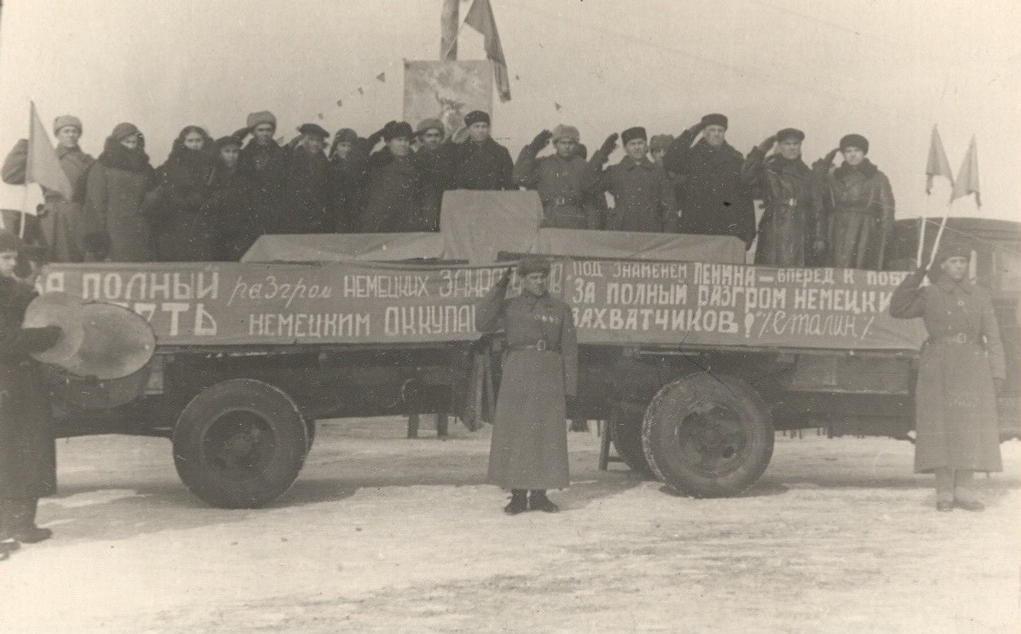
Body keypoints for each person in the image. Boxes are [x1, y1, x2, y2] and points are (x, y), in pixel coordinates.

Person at [889, 241, 1004, 512]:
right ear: (942, 265)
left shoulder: (980, 295)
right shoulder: (930, 294)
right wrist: (916, 276)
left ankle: (964, 491)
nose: (958, 266)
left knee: (968, 427)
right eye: (952, 262)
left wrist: (998, 373)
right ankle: (943, 492)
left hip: (972, 366)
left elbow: (994, 337)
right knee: (939, 428)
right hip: (938, 365)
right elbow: (898, 309)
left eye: (962, 262)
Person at [475, 256, 577, 514]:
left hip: (549, 374)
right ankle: (518, 495)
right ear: (522, 280)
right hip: (518, 373)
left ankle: (541, 495)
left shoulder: (560, 308)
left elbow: (569, 349)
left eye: (543, 277)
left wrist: (569, 387)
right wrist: (501, 286)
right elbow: (482, 323)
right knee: (517, 433)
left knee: (546, 434)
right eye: (534, 277)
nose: (540, 281)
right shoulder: (510, 307)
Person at [0, 230, 63, 557]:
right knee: (6, 455)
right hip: (4, 383)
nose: (11, 263)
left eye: (13, 257)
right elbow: (5, 340)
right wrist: (45, 337)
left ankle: (24, 523)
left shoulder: (20, 291)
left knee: (31, 450)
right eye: (4, 257)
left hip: (25, 381)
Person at [1, 114, 95, 262]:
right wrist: (26, 146)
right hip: (50, 219)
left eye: (74, 131)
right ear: (57, 135)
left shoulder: (87, 161)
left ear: (79, 134)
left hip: (76, 217)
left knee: (74, 260)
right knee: (48, 261)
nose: (71, 135)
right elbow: (10, 175)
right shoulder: (46, 159)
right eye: (66, 131)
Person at [664, 114, 755, 248]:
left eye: (720, 130)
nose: (716, 134)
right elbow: (670, 160)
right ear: (703, 132)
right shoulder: (691, 156)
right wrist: (692, 131)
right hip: (695, 226)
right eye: (712, 130)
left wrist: (748, 232)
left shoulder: (735, 159)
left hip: (726, 228)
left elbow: (745, 196)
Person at [741, 127, 821, 265]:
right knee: (770, 268)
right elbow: (746, 177)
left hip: (801, 226)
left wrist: (819, 236)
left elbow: (817, 205)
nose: (791, 148)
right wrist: (760, 152)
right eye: (787, 144)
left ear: (800, 146)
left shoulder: (808, 173)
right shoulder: (769, 170)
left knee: (798, 271)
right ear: (780, 146)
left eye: (795, 144)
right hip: (773, 224)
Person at [814, 134, 896, 269]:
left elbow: (887, 210)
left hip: (865, 230)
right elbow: (821, 205)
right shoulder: (833, 176)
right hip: (835, 229)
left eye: (857, 150)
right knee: (835, 271)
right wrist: (821, 235)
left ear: (864, 152)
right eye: (848, 151)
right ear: (843, 154)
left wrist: (883, 238)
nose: (852, 155)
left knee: (860, 270)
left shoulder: (877, 177)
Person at [82, 122, 156, 262]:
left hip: (140, 230)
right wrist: (100, 239)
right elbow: (96, 204)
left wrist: (153, 197)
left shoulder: (145, 168)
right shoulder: (102, 166)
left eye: (134, 142)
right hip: (113, 232)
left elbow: (154, 189)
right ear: (116, 143)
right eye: (127, 142)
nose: (131, 146)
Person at [587, 127, 677, 232]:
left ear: (646, 146)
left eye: (640, 143)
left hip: (650, 232)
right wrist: (602, 153)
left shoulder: (658, 173)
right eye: (632, 144)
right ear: (625, 148)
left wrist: (667, 239)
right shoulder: (615, 171)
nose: (637, 147)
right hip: (621, 232)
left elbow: (669, 209)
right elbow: (589, 185)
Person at [513, 125, 599, 229]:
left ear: (576, 145)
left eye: (570, 143)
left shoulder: (584, 166)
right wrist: (533, 148)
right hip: (550, 218)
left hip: (576, 219)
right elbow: (519, 177)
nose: (567, 147)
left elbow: (592, 202)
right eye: (563, 142)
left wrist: (592, 231)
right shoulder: (544, 164)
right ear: (555, 144)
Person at [152, 126, 216, 261]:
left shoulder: (212, 163)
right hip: (181, 218)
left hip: (205, 217)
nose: (194, 144)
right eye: (190, 141)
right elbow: (168, 189)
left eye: (198, 140)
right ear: (183, 142)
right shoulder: (173, 163)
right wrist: (186, 200)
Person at [360, 121, 428, 233]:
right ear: (388, 142)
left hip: (409, 227)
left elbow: (427, 195)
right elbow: (354, 163)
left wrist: (425, 223)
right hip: (380, 226)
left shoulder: (418, 165)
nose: (403, 144)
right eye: (399, 140)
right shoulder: (376, 162)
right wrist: (372, 139)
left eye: (406, 140)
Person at [204, 135, 261, 260]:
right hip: (218, 231)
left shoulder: (246, 175)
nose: (231, 155)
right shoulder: (212, 175)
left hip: (241, 230)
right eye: (227, 151)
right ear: (220, 153)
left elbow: (253, 204)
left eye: (235, 151)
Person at [237, 111, 288, 232]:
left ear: (273, 132)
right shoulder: (243, 155)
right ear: (252, 132)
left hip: (277, 212)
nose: (265, 134)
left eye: (268, 130)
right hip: (250, 212)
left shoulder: (283, 155)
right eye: (260, 130)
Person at [280, 124, 332, 234]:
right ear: (304, 140)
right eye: (311, 139)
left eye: (318, 140)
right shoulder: (292, 160)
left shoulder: (325, 163)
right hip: (295, 217)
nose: (314, 144)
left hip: (318, 219)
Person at [447, 110, 515, 191]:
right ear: (468, 129)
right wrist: (450, 143)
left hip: (493, 200)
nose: (481, 130)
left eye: (484, 126)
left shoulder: (501, 152)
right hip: (466, 200)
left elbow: (511, 184)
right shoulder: (459, 151)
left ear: (488, 128)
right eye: (476, 126)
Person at [328, 128, 370, 233]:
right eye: (343, 145)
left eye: (350, 146)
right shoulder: (328, 167)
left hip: (355, 217)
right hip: (334, 217)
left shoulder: (361, 168)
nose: (346, 149)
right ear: (336, 146)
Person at [412, 118, 451, 231]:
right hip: (425, 212)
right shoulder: (415, 160)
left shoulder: (449, 159)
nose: (433, 139)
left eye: (436, 135)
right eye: (429, 136)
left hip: (446, 209)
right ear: (421, 138)